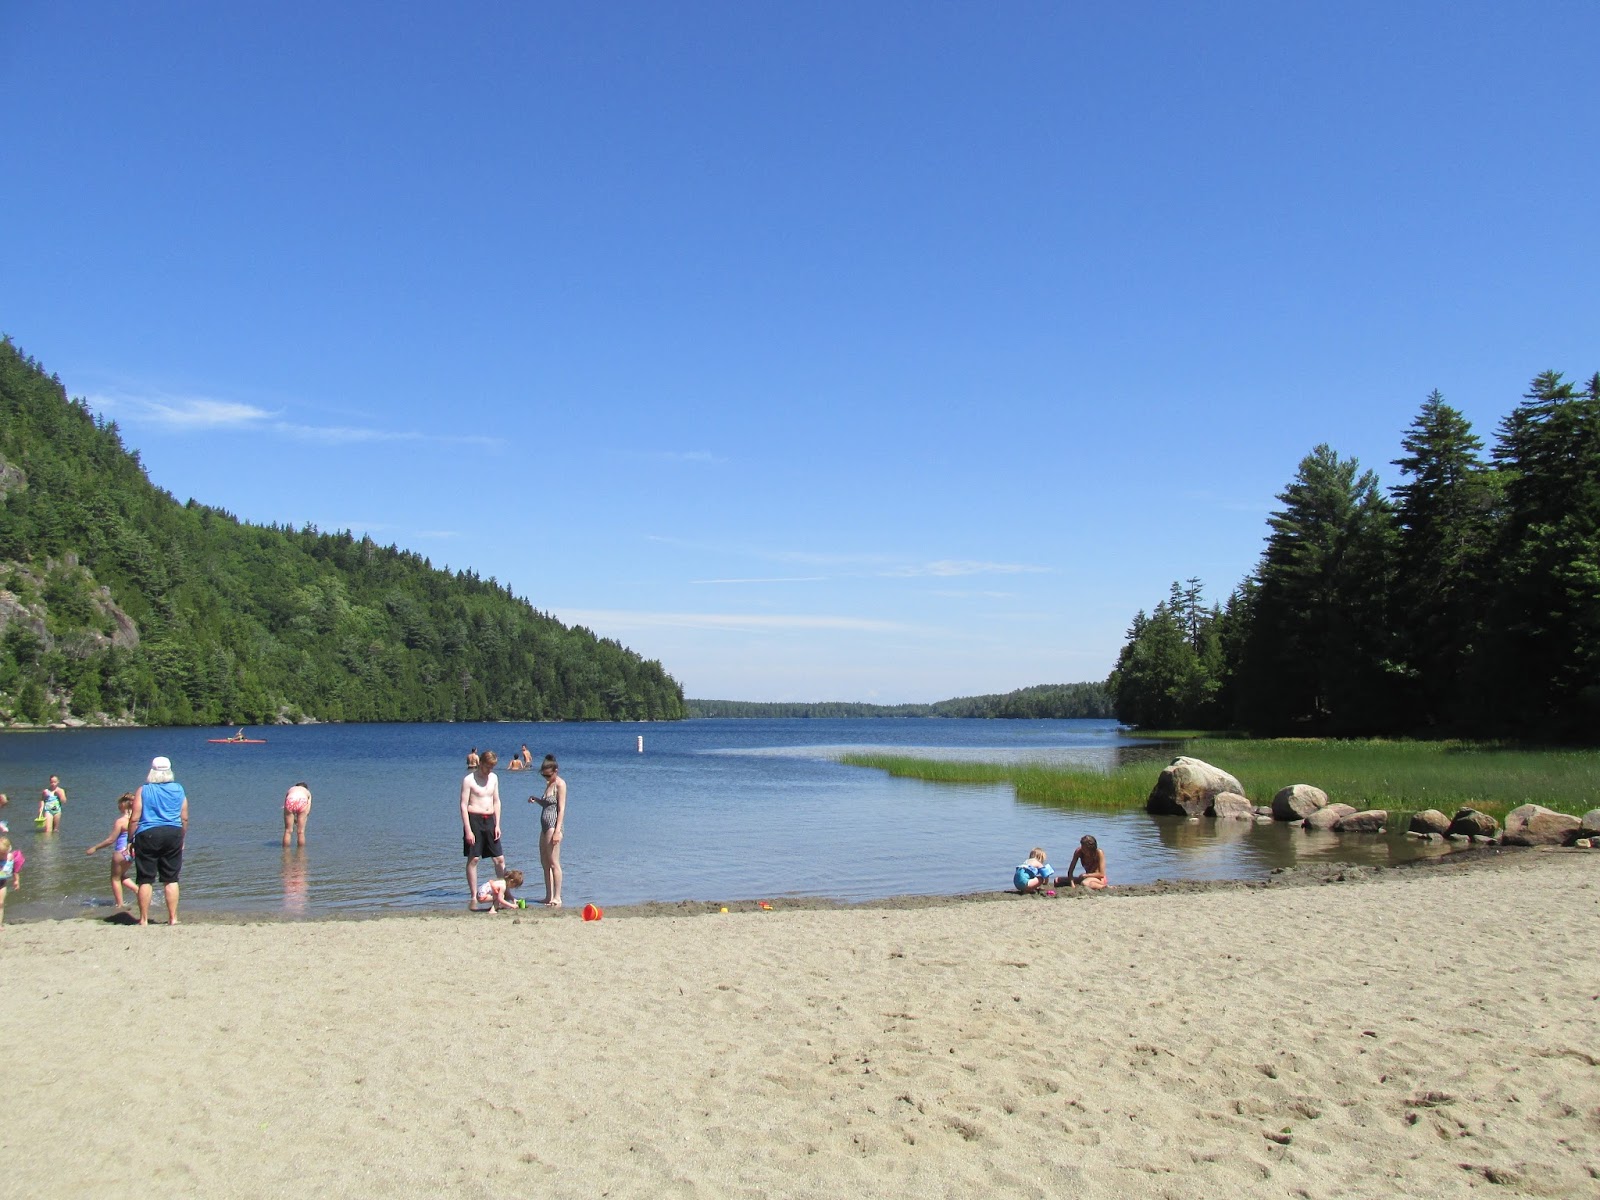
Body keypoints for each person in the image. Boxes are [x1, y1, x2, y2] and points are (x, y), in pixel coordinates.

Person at [129, 755, 188, 926]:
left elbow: (134, 818)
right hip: (173, 832)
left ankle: (143, 919)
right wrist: (182, 836)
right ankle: (172, 918)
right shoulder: (179, 789)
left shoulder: (144, 790)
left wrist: (130, 839)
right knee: (171, 878)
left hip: (148, 834)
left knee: (145, 879)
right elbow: (184, 817)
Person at [460, 749, 504, 909]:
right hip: (474, 820)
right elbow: (463, 805)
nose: (489, 770)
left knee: (499, 859)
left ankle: (503, 892)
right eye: (488, 766)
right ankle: (473, 895)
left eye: (492, 767)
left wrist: (497, 824)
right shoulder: (469, 780)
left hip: (490, 819)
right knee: (474, 859)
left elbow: (496, 801)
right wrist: (468, 830)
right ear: (481, 763)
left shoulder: (494, 778)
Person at [85, 793, 139, 909]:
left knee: (115, 878)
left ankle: (120, 904)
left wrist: (95, 848)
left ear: (122, 805)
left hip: (121, 852)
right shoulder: (137, 821)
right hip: (132, 852)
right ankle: (137, 889)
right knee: (121, 875)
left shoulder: (121, 821)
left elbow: (111, 840)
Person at [530, 754, 566, 908]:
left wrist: (557, 831)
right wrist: (536, 800)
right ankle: (548, 896)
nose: (546, 777)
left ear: (555, 771)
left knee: (553, 862)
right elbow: (547, 804)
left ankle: (557, 897)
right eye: (544, 775)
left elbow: (561, 809)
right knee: (544, 862)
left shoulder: (560, 784)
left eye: (548, 775)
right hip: (544, 825)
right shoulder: (548, 784)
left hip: (553, 825)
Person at [282, 782, 312, 848]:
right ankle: (301, 851)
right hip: (302, 802)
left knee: (288, 831)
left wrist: (294, 819)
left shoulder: (291, 789)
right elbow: (308, 809)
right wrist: (303, 818)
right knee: (301, 832)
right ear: (306, 788)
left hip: (290, 801)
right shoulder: (307, 792)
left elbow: (285, 804)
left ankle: (285, 851)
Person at [0, 837, 22, 925]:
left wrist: (16, 881)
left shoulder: (10, 857)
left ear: (8, 850)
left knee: (1, 903)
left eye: (4, 853)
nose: (2, 856)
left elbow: (15, 870)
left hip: (2, 884)